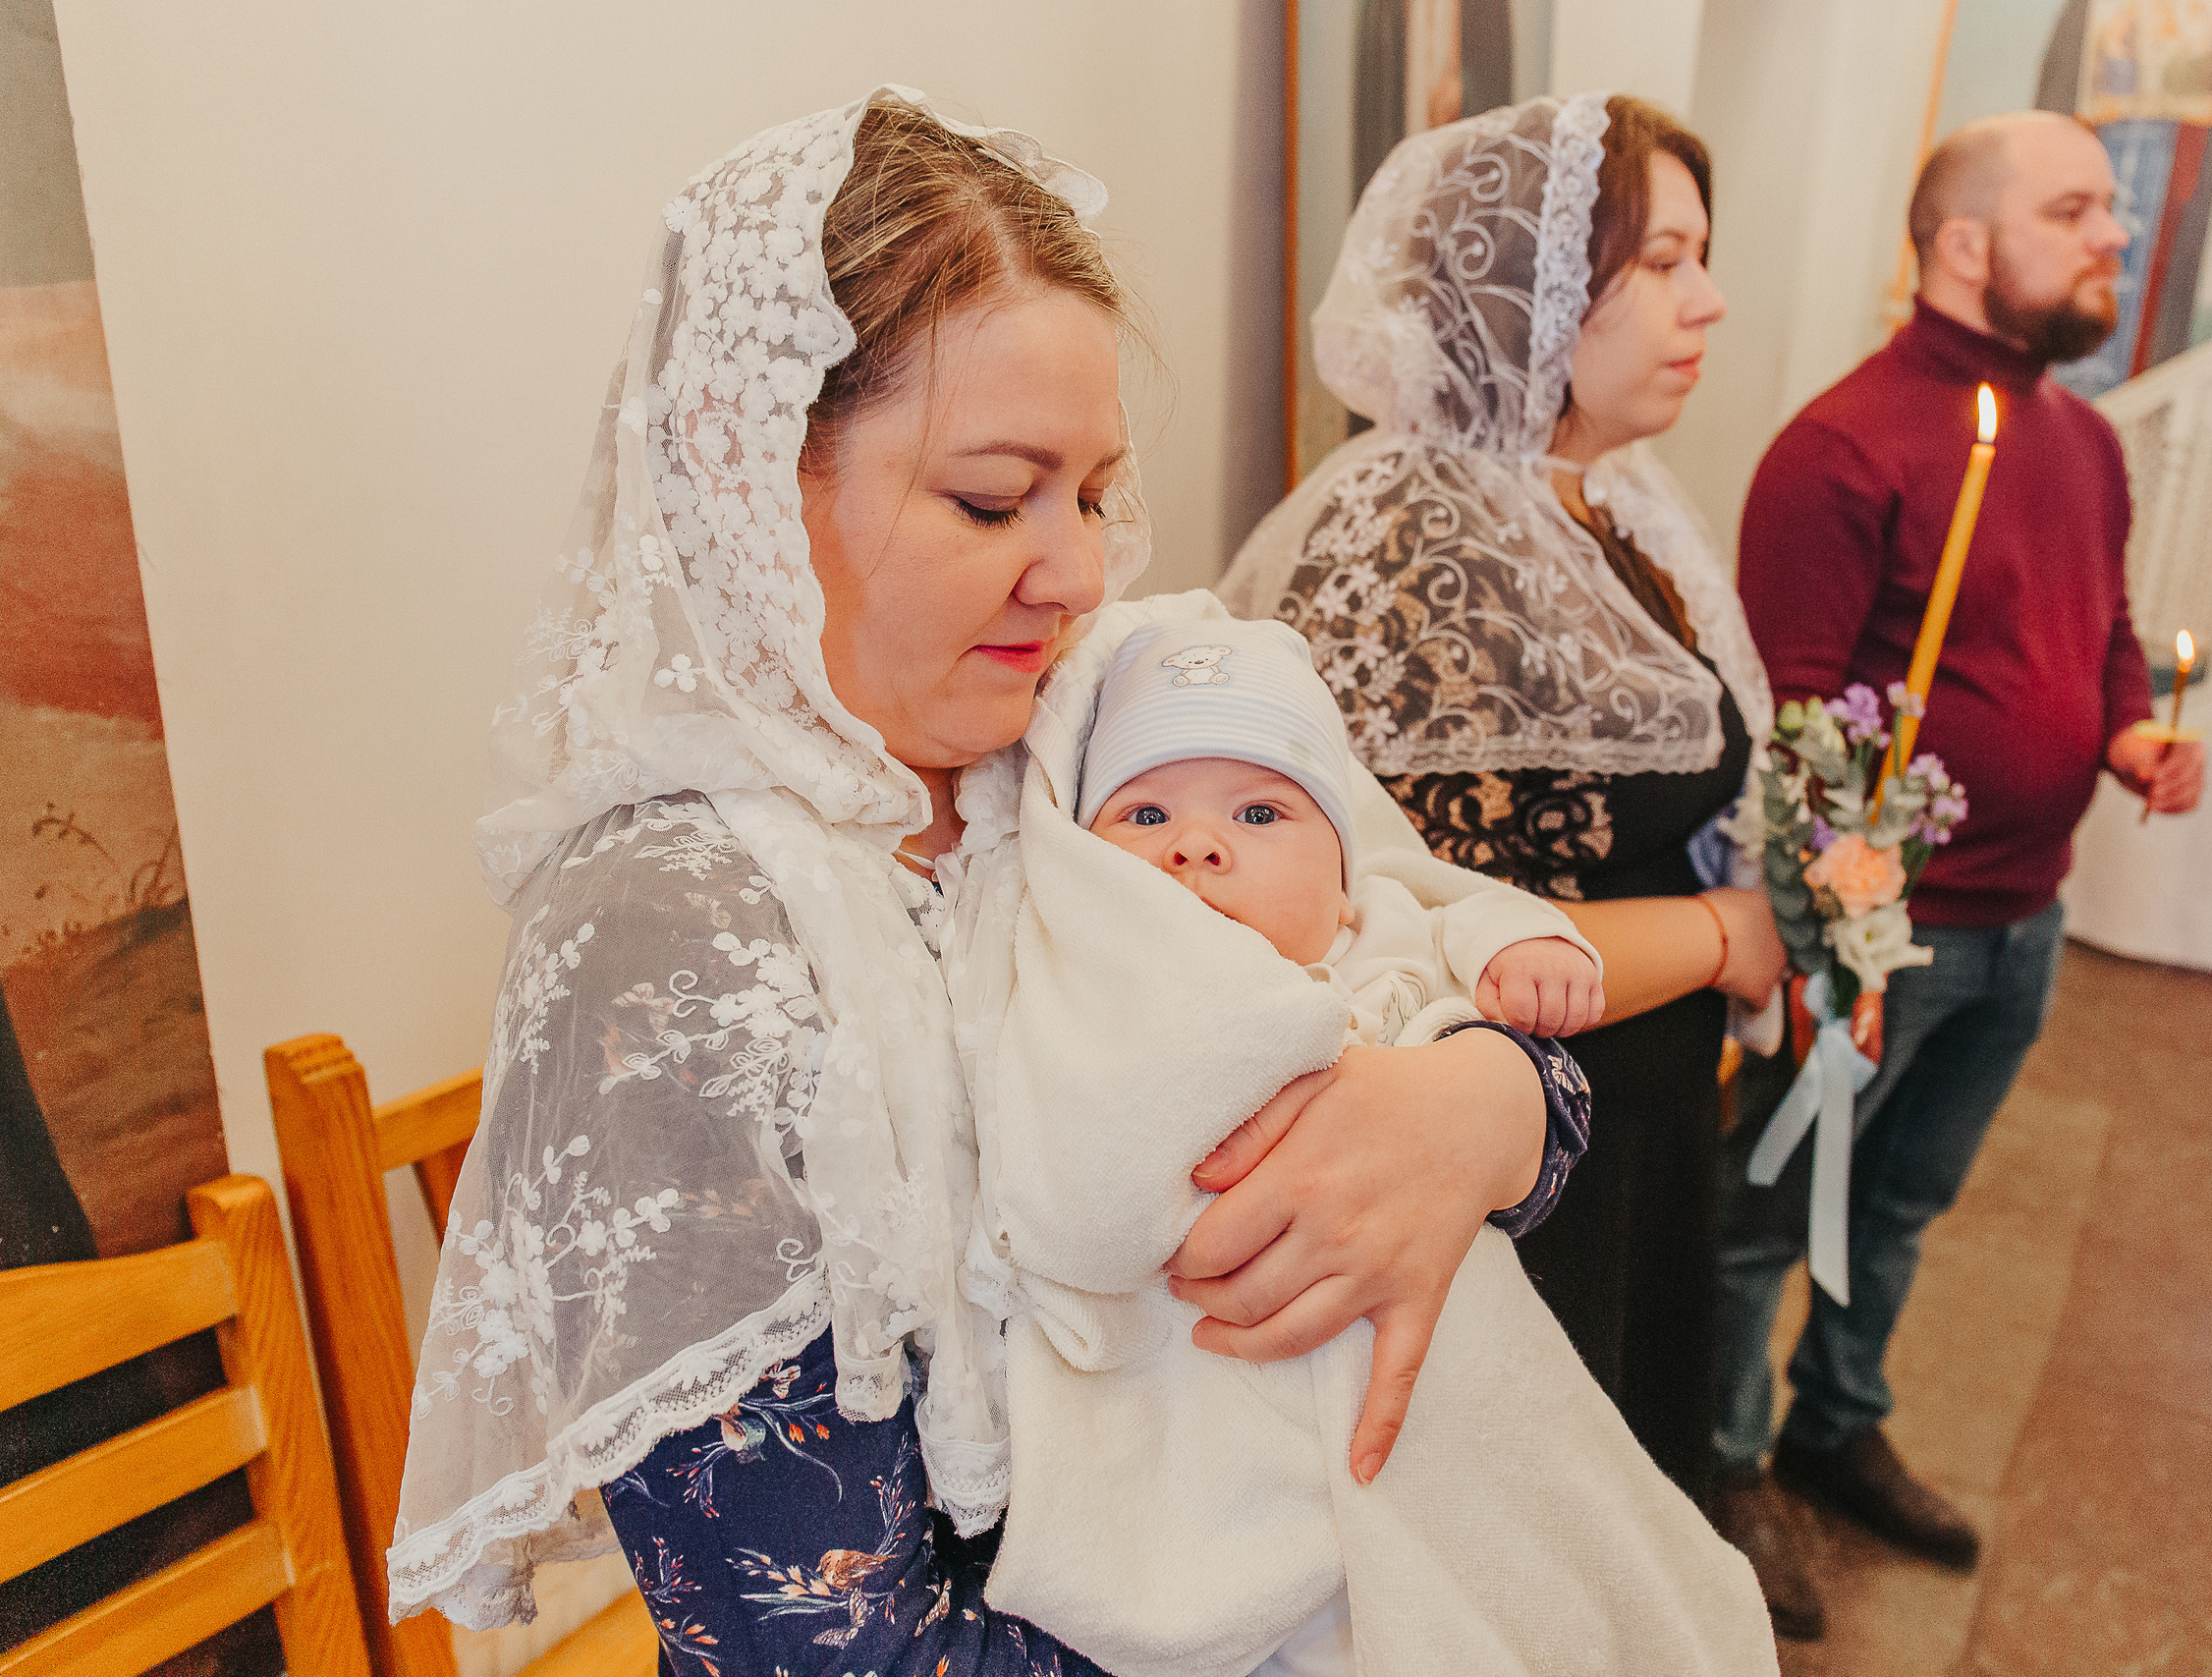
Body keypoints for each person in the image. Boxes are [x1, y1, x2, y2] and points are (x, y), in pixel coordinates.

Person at [388, 90, 1590, 1677]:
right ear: (747, 476)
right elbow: (816, 1643)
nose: (1078, 570)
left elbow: (1411, 933)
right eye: (988, 497)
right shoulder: (678, 932)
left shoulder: (1088, 737)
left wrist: (1490, 1103)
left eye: (1090, 492)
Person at [968, 611, 1774, 1677]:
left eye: (1259, 813)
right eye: (1145, 811)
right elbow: (1062, 1197)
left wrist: (1507, 988)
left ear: (1343, 878)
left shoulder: (1373, 935)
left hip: (1440, 1382)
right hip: (1205, 1406)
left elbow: (1453, 938)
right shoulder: (1083, 989)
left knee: (1543, 1576)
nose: (1195, 845)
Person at [1221, 91, 1784, 1508]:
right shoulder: (1414, 533)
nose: (1708, 300)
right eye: (1661, 261)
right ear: (1527, 282)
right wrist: (1725, 930)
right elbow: (1432, 925)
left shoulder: (1609, 495)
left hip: (1640, 1120)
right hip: (1520, 1161)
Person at [1707, 110, 2209, 1641]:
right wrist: (1839, 926)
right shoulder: (1842, 447)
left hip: (2027, 914)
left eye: (2110, 212)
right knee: (1766, 1212)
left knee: (1912, 1197)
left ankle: (1836, 1420)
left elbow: (2104, 624)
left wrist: (2128, 725)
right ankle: (1722, 1463)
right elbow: (1789, 722)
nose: (2113, 234)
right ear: (1965, 242)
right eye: (2077, 209)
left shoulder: (2085, 438)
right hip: (1881, 932)